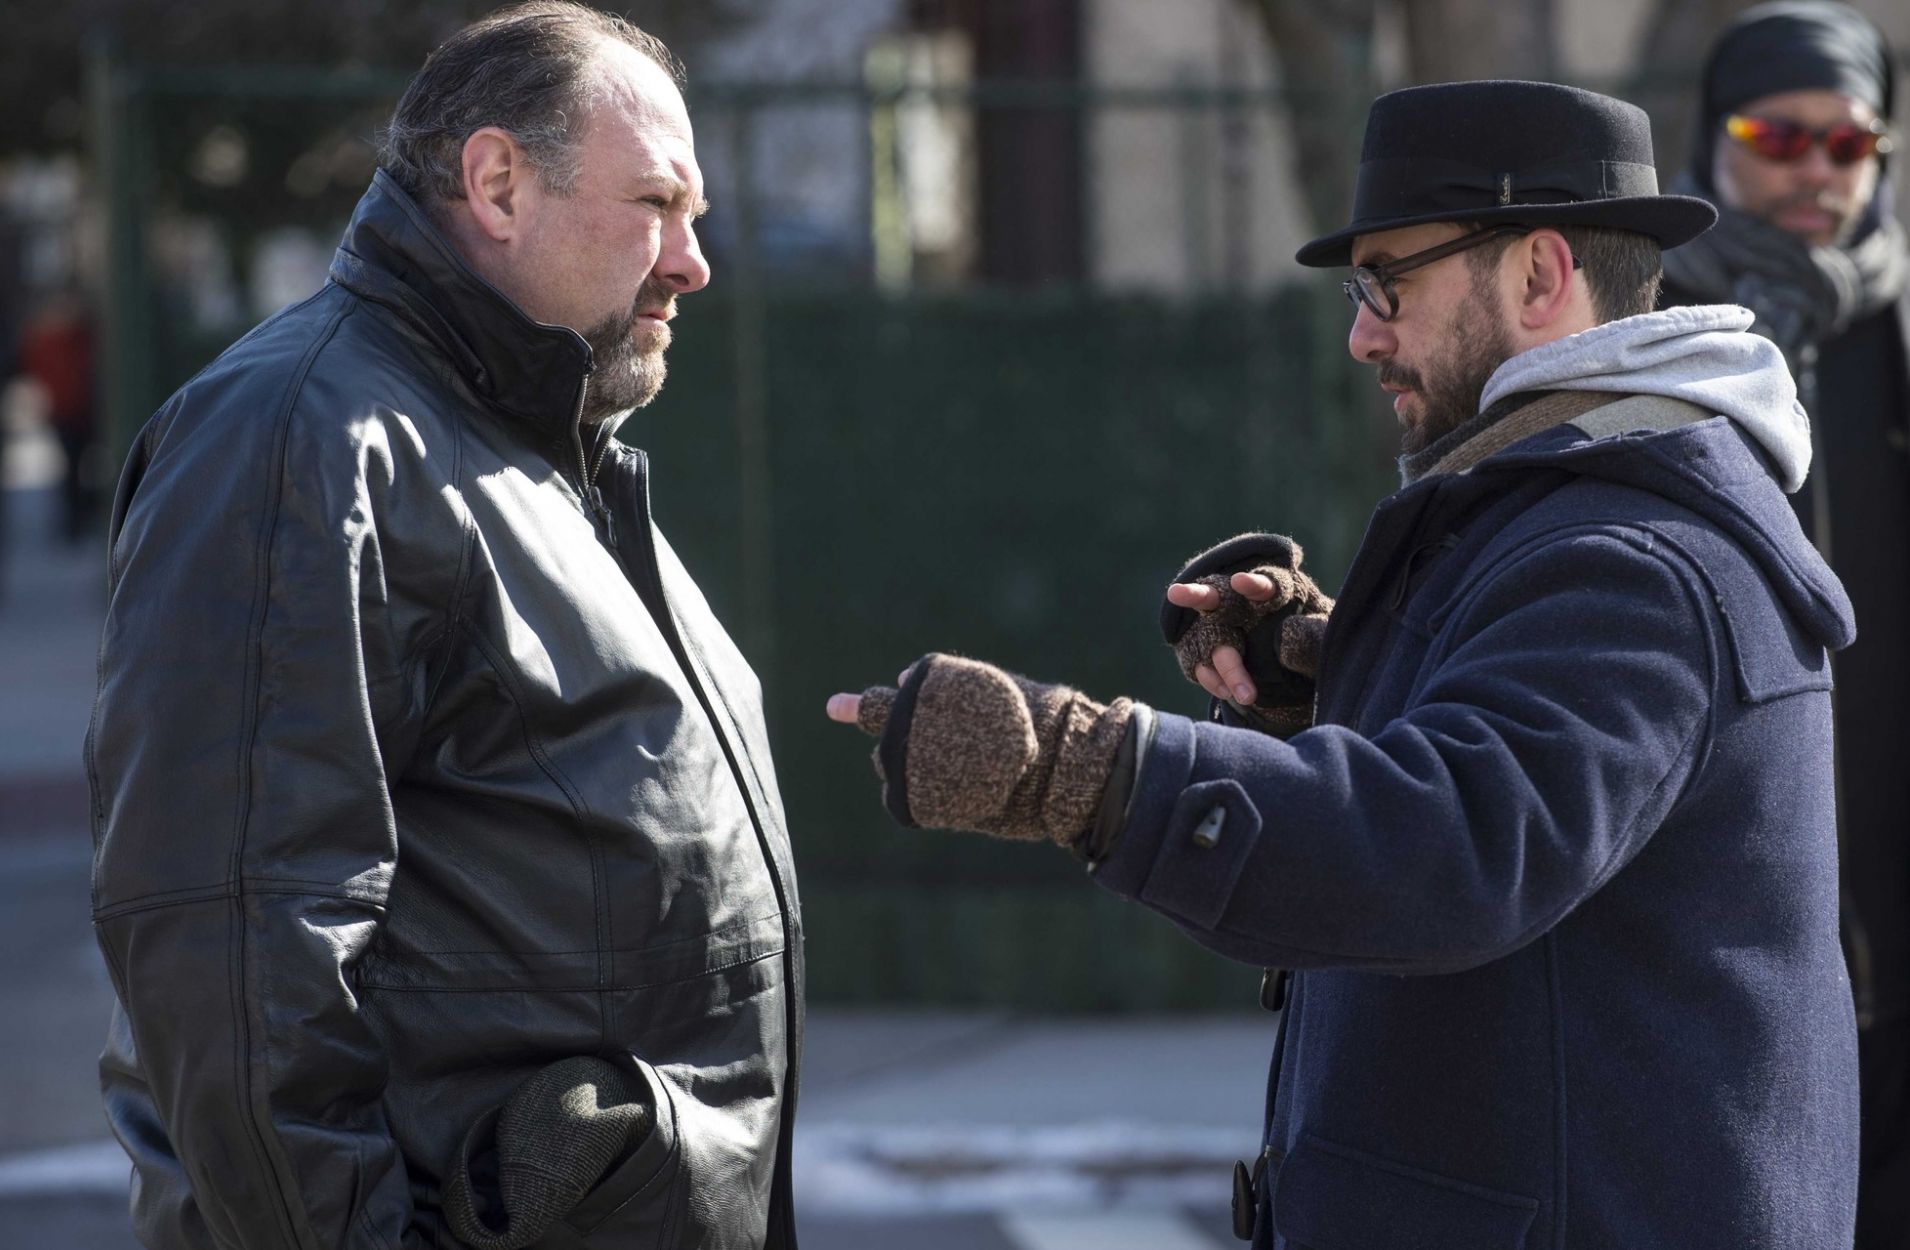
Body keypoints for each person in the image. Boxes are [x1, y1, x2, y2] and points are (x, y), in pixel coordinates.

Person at [827, 80, 1859, 1247]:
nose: (1362, 329)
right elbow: (1527, 775)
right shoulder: (1580, 513)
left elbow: (1454, 846)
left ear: (1536, 274)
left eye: (1388, 281)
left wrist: (1077, 766)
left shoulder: (1632, 561)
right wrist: (1334, 684)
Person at [87, 5, 803, 1248]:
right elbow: (238, 959)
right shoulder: (303, 442)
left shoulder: (538, 452)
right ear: (497, 182)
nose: (691, 260)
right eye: (657, 204)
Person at [1659, 7, 1909, 1242]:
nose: (1816, 169)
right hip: (1714, 909)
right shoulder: (1647, 329)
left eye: (1850, 141)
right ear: (1716, 136)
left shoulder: (1892, 320)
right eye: (1779, 134)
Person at [18, 288, 99, 543]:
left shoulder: (71, 336)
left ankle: (75, 519)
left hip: (75, 408)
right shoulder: (50, 339)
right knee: (71, 466)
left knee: (75, 465)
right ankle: (73, 520)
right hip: (66, 409)